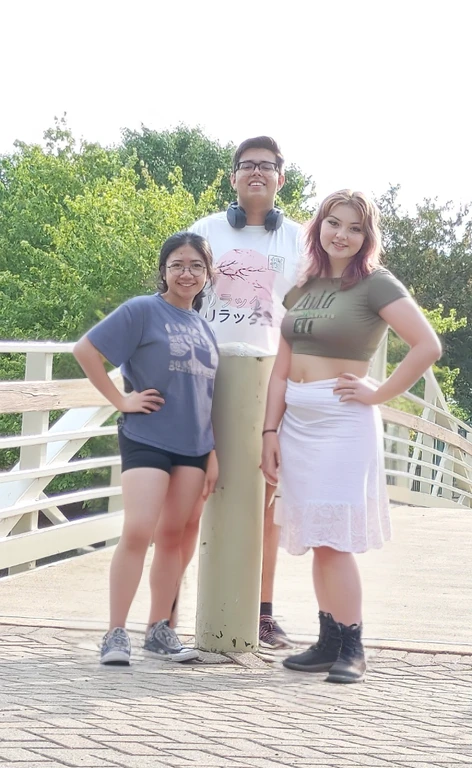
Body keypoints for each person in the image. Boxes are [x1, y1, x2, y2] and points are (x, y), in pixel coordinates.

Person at [261, 190, 441, 682]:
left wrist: (378, 393)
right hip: (296, 423)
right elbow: (279, 372)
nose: (341, 234)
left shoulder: (376, 284)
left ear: (367, 237)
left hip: (343, 422)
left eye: (354, 228)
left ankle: (354, 644)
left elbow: (427, 345)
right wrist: (269, 430)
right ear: (318, 226)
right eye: (333, 223)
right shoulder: (302, 288)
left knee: (334, 540)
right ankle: (327, 641)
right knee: (318, 538)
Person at [162, 136, 304, 649]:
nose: (257, 174)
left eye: (267, 167)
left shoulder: (298, 240)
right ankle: (166, 617)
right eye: (247, 166)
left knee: (262, 499)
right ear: (233, 177)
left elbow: (311, 313)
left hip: (267, 376)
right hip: (204, 370)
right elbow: (176, 294)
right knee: (189, 492)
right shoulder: (205, 231)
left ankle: (261, 614)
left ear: (280, 178)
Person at [73, 231, 219, 665]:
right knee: (138, 530)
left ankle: (160, 631)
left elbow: (208, 397)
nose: (186, 273)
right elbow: (86, 350)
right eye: (177, 264)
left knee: (173, 537)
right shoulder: (142, 310)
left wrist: (213, 452)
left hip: (193, 446)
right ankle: (116, 633)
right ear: (164, 271)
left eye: (196, 266)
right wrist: (121, 400)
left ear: (208, 275)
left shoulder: (205, 328)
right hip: (147, 437)